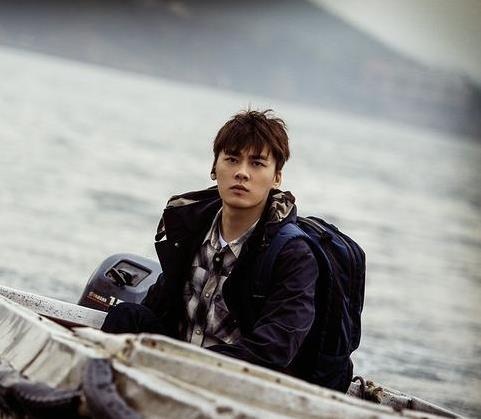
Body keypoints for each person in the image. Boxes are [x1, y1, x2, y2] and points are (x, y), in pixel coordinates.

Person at [102, 109, 352, 392]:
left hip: (239, 385)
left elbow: (275, 348)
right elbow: (160, 306)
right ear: (214, 168)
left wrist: (192, 365)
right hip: (178, 362)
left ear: (276, 178)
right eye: (232, 159)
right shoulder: (191, 226)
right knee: (126, 316)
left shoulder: (293, 253)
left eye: (257, 163)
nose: (242, 172)